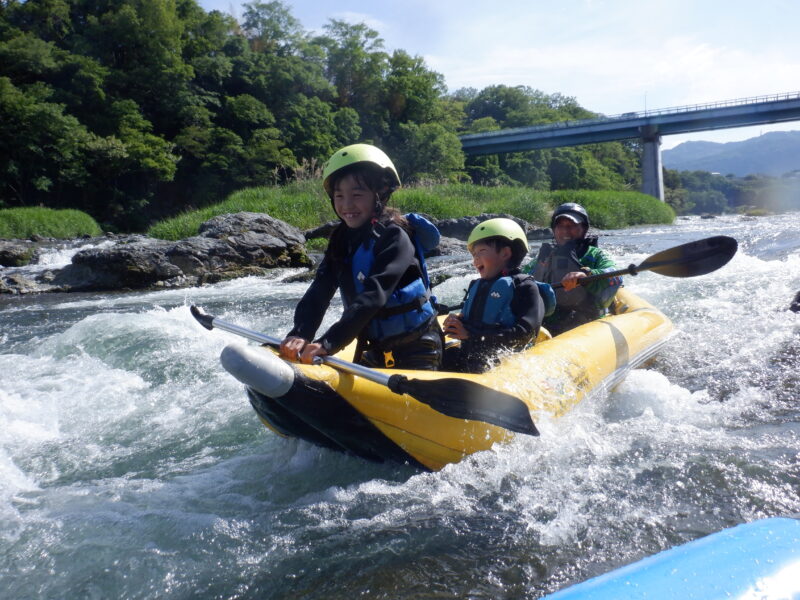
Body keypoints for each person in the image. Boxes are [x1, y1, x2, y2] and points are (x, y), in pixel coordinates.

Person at [279, 143, 443, 370]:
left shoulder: (395, 236)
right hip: (375, 346)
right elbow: (320, 290)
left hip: (419, 345)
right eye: (339, 195)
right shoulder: (341, 239)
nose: (347, 205)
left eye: (357, 194)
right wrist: (301, 333)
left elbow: (375, 294)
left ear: (380, 195)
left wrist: (328, 342)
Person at [442, 218, 550, 373]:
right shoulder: (477, 285)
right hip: (470, 359)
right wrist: (458, 321)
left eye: (481, 252)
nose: (475, 260)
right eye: (474, 255)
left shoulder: (524, 286)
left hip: (502, 367)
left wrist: (471, 335)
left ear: (505, 253)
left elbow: (525, 334)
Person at [524, 202, 621, 336]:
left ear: (584, 229)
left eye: (572, 226)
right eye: (560, 226)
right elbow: (523, 277)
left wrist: (588, 275)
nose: (565, 230)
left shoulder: (595, 255)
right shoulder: (543, 258)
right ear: (554, 229)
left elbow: (615, 275)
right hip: (549, 321)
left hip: (587, 319)